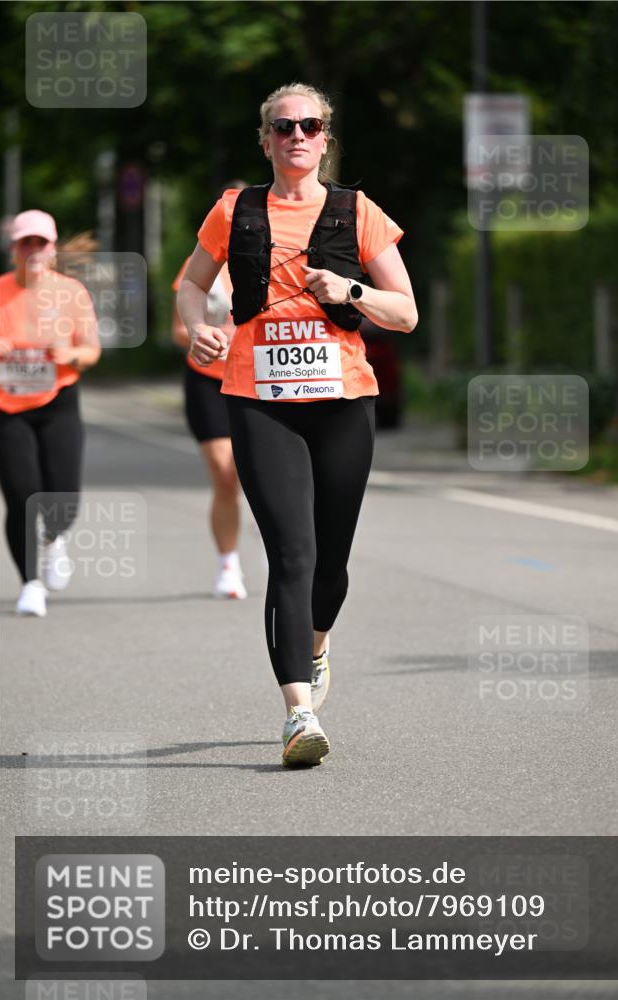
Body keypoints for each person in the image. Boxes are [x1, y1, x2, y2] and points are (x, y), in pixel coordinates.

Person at [178, 83, 417, 766]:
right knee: (291, 554)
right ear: (265, 140)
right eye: (283, 127)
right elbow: (192, 285)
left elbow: (404, 312)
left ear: (324, 137)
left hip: (342, 403)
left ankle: (314, 645)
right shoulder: (234, 210)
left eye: (308, 125)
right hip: (260, 400)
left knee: (330, 564)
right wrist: (200, 330)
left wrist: (351, 291)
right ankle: (297, 714)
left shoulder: (357, 212)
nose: (296, 136)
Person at [0, 210, 101, 617]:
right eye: (26, 243)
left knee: (63, 497)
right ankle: (30, 583)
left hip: (58, 400)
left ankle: (54, 538)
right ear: (13, 251)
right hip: (7, 406)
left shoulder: (71, 293)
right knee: (21, 494)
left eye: (41, 243)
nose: (33, 251)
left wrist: (70, 353)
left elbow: (91, 352)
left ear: (53, 250)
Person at [171, 181, 248, 599]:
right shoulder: (198, 263)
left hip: (258, 379)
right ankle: (228, 565)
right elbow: (178, 329)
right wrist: (205, 334)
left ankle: (287, 554)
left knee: (257, 473)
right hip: (208, 380)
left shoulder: (271, 258)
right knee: (224, 475)